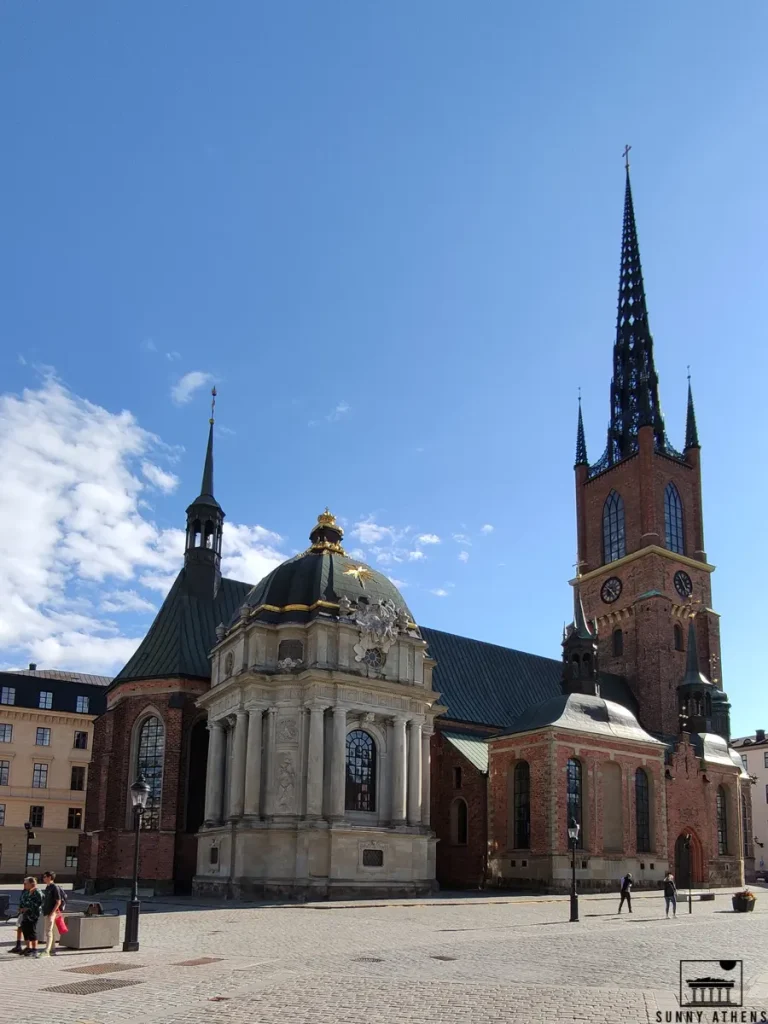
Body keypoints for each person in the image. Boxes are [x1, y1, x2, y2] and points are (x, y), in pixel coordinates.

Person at [40, 870, 65, 957]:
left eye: (44, 876)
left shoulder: (54, 887)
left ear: (49, 877)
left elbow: (58, 902)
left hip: (52, 912)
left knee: (49, 931)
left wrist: (52, 913)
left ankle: (47, 950)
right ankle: (52, 949)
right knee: (51, 930)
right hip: (47, 912)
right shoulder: (48, 887)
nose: (43, 878)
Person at [18, 877, 43, 957]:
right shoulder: (26, 892)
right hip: (25, 915)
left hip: (33, 915)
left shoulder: (37, 892)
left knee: (32, 931)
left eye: (26, 883)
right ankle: (28, 948)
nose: (24, 885)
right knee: (25, 931)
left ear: (31, 884)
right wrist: (21, 908)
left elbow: (41, 903)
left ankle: (34, 949)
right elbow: (22, 901)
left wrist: (29, 908)